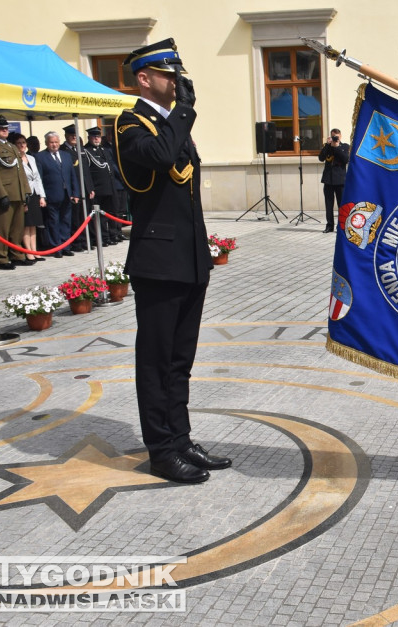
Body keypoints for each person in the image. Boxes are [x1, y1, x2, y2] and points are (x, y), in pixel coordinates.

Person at [115, 37, 230, 484]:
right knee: (156, 359)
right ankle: (161, 450)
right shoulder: (130, 124)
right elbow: (161, 158)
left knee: (181, 359)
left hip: (188, 259)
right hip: (158, 262)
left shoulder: (168, 123)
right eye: (168, 74)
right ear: (144, 79)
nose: (177, 81)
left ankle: (180, 439)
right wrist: (183, 112)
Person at [0, 116, 31, 270]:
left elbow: (20, 170)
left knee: (17, 227)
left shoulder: (12, 147)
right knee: (3, 227)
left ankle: (16, 254)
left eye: (6, 128)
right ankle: (2, 257)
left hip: (18, 191)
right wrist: (1, 194)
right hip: (6, 193)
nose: (5, 130)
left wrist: (26, 190)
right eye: (1, 128)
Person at [36, 132, 78, 258]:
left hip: (67, 194)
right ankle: (56, 247)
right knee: (53, 222)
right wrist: (42, 196)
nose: (54, 145)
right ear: (46, 143)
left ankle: (66, 246)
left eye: (56, 142)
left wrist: (75, 193)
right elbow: (40, 178)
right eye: (51, 142)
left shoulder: (66, 156)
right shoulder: (40, 157)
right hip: (51, 195)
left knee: (66, 221)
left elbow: (72, 176)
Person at [8, 132, 46, 264]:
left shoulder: (31, 158)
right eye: (19, 143)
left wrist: (42, 196)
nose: (22, 145)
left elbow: (37, 178)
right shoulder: (14, 160)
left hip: (35, 193)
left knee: (33, 224)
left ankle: (35, 251)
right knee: (26, 224)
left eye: (23, 142)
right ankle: (28, 252)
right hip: (24, 195)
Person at [82, 126, 119, 246]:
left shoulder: (104, 150)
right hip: (98, 188)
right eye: (94, 136)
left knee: (112, 212)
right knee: (100, 216)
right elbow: (87, 172)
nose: (96, 139)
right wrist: (90, 188)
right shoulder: (86, 151)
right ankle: (102, 237)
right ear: (89, 138)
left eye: (98, 136)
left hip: (109, 186)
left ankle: (113, 234)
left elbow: (110, 168)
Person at [62, 123, 95, 251]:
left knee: (85, 217)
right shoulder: (63, 151)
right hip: (74, 189)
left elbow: (86, 171)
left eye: (76, 135)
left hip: (84, 188)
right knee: (76, 218)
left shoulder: (81, 150)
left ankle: (85, 240)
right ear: (66, 136)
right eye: (71, 135)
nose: (74, 137)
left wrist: (90, 187)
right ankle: (77, 243)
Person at [319, 127, 349, 233]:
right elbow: (321, 158)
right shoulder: (328, 147)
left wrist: (336, 147)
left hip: (340, 181)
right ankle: (329, 225)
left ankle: (341, 226)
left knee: (341, 205)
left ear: (340, 136)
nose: (335, 138)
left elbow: (346, 159)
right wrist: (328, 145)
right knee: (329, 204)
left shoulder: (345, 146)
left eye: (337, 136)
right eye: (333, 136)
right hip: (328, 180)